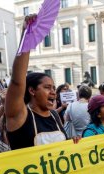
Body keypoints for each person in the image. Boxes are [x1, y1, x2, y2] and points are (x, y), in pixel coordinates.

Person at [5, 15, 69, 150]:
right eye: (47, 87)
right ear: (32, 90)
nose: (53, 91)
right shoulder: (19, 114)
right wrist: (27, 36)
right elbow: (17, 81)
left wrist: (73, 142)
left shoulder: (55, 115)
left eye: (53, 87)